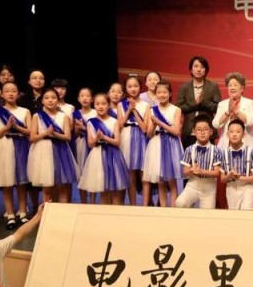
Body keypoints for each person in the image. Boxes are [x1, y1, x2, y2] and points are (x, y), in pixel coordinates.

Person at [0, 82, 31, 229]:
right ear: (2, 94)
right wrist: (6, 128)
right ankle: (10, 215)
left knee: (22, 183)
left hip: (21, 147)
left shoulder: (25, 111)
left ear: (18, 93)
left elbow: (30, 132)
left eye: (13, 91)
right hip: (4, 147)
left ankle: (22, 213)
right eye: (7, 91)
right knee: (7, 184)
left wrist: (17, 127)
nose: (10, 93)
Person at [27, 88, 79, 203]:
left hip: (61, 151)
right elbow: (32, 138)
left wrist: (55, 134)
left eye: (53, 98)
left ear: (58, 100)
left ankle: (62, 211)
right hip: (43, 151)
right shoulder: (37, 116)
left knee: (62, 186)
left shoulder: (64, 116)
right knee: (47, 186)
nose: (50, 100)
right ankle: (47, 211)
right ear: (42, 101)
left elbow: (68, 137)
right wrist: (45, 133)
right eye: (46, 98)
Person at [78, 93, 129, 205]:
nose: (100, 106)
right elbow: (90, 144)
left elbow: (117, 142)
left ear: (108, 105)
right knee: (103, 190)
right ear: (94, 105)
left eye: (103, 104)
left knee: (115, 191)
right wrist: (97, 138)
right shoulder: (91, 122)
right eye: (97, 104)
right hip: (98, 156)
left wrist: (104, 137)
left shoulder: (114, 121)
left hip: (113, 156)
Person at [142, 81, 183, 207]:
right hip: (156, 144)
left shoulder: (176, 109)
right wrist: (153, 125)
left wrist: (160, 123)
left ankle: (173, 210)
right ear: (156, 94)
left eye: (164, 92)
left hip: (171, 144)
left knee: (171, 181)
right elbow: (149, 134)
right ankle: (163, 210)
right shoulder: (152, 110)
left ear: (170, 93)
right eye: (159, 92)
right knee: (160, 182)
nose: (161, 95)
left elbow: (176, 131)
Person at [175, 115, 223, 209]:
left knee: (207, 212)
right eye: (199, 130)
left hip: (209, 186)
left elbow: (217, 172)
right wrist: (192, 170)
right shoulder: (189, 149)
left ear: (211, 132)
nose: (202, 132)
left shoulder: (216, 150)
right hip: (193, 183)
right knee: (180, 203)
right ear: (194, 132)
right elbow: (185, 171)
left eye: (205, 129)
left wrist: (202, 171)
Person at [118, 75, 150, 206]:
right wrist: (128, 110)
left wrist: (135, 111)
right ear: (125, 88)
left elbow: (144, 128)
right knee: (130, 174)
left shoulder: (145, 105)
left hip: (141, 139)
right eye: (130, 86)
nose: (133, 89)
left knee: (143, 175)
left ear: (140, 87)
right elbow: (120, 125)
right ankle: (133, 205)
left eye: (135, 86)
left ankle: (145, 206)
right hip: (126, 137)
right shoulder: (121, 104)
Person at [176, 56, 221, 149]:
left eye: (202, 67)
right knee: (189, 157)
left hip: (207, 131)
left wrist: (203, 102)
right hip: (189, 131)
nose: (199, 69)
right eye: (196, 66)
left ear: (206, 70)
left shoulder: (213, 86)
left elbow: (218, 108)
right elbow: (179, 108)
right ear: (191, 70)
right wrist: (194, 103)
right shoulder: (184, 88)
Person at [17, 69, 46, 212]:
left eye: (41, 78)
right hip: (27, 140)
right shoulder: (22, 99)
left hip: (45, 139)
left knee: (45, 173)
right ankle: (35, 205)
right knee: (31, 174)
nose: (38, 80)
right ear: (29, 81)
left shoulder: (48, 96)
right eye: (34, 78)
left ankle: (47, 205)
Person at [219, 119, 253, 210]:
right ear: (227, 134)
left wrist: (239, 177)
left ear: (244, 134)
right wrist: (229, 175)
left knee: (246, 209)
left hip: (247, 187)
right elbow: (222, 179)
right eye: (231, 131)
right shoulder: (224, 153)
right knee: (233, 214)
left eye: (238, 131)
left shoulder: (251, 152)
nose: (234, 134)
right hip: (231, 187)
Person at [212, 72, 253, 151]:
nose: (232, 88)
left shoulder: (249, 103)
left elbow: (252, 121)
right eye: (230, 85)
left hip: (247, 144)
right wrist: (228, 112)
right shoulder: (222, 104)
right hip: (226, 145)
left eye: (235, 85)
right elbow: (215, 124)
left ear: (242, 88)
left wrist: (236, 112)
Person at [72, 87, 97, 204]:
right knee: (81, 173)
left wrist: (84, 128)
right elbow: (75, 134)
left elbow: (97, 131)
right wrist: (78, 128)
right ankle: (83, 202)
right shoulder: (76, 114)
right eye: (82, 96)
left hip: (93, 144)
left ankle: (92, 202)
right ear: (78, 98)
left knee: (93, 172)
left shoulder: (95, 112)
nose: (85, 98)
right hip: (81, 144)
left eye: (87, 96)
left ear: (92, 99)